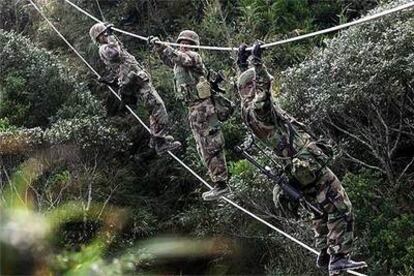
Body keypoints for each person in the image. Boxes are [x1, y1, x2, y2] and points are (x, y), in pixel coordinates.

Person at [236, 42, 367, 275]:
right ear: (254, 86)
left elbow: (246, 86)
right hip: (306, 164)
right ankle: (338, 256)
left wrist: (241, 62)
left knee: (320, 209)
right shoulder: (259, 109)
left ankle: (325, 253)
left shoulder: (246, 110)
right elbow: (262, 93)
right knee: (340, 204)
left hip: (297, 169)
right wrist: (257, 63)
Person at [149, 30, 229, 201]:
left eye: (187, 42)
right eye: (182, 42)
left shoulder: (193, 57)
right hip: (194, 110)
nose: (184, 45)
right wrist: (158, 48)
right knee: (202, 148)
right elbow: (170, 59)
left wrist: (165, 46)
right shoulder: (179, 63)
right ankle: (218, 183)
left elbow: (180, 57)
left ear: (193, 45)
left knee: (212, 146)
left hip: (205, 109)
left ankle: (222, 184)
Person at [89, 22, 181, 155]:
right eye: (103, 34)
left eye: (106, 33)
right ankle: (160, 141)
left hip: (139, 81)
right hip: (135, 83)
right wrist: (111, 37)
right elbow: (115, 54)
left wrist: (112, 36)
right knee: (158, 106)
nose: (106, 34)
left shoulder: (110, 45)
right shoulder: (104, 49)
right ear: (98, 38)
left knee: (154, 108)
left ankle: (156, 140)